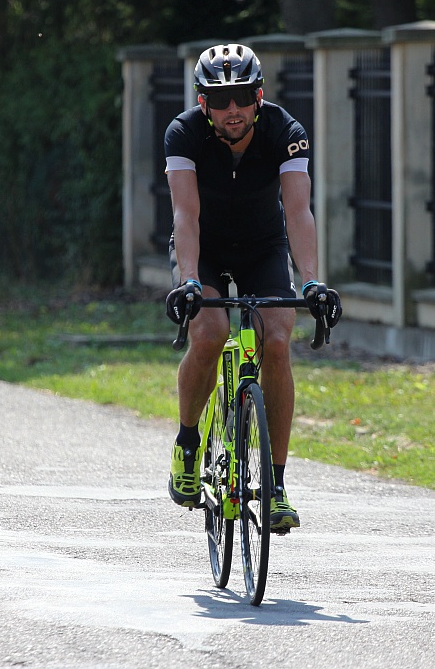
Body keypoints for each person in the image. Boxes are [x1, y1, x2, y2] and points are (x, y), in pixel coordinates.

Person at [163, 44, 341, 531]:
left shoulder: (286, 133)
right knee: (209, 332)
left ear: (258, 95)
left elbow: (299, 211)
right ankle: (187, 441)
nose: (232, 109)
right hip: (207, 248)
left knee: (278, 341)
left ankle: (277, 484)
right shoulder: (183, 134)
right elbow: (186, 214)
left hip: (263, 245)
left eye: (242, 96)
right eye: (220, 100)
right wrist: (192, 280)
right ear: (204, 103)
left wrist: (311, 281)